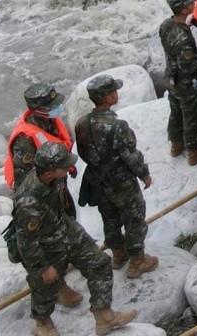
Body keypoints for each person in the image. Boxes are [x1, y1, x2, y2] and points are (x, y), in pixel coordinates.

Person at [13, 142, 138, 336]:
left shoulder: (53, 179)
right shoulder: (28, 202)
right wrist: (42, 268)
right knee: (45, 287)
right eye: (64, 167)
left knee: (99, 263)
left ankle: (104, 316)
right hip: (45, 246)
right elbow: (26, 242)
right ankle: (42, 323)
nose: (69, 168)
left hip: (67, 231)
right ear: (49, 173)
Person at [76, 75, 158, 278]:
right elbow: (131, 156)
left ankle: (118, 254)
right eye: (114, 91)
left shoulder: (82, 123)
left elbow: (82, 153)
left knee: (109, 218)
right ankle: (137, 261)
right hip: (122, 183)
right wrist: (144, 174)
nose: (116, 93)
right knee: (134, 219)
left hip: (98, 181)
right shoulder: (118, 126)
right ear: (108, 98)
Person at [159, 0, 197, 165]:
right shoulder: (183, 39)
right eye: (190, 4)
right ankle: (194, 151)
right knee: (193, 114)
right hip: (186, 83)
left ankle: (176, 144)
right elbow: (190, 65)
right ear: (184, 10)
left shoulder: (166, 25)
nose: (194, 5)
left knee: (175, 111)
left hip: (171, 77)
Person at [7, 83, 74, 190]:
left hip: (56, 174)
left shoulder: (49, 119)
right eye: (51, 107)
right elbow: (23, 175)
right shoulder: (24, 140)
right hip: (42, 184)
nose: (57, 108)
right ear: (37, 111)